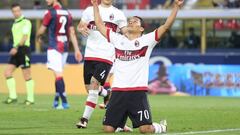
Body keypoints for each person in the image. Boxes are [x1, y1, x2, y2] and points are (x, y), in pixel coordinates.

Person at [91, 0, 184, 133]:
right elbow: (99, 25)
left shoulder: (147, 40)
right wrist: (95, 6)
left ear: (141, 29)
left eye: (135, 21)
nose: (131, 22)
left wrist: (176, 7)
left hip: (137, 92)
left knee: (145, 129)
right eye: (130, 20)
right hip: (118, 91)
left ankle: (161, 127)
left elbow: (166, 26)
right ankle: (121, 124)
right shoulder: (118, 39)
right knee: (108, 129)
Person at [75, 0, 127, 128]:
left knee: (94, 83)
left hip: (107, 55)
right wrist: (81, 29)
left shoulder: (118, 14)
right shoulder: (89, 10)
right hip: (90, 54)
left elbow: (126, 32)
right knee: (89, 89)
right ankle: (106, 93)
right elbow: (80, 26)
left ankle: (84, 119)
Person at [36, 0, 82, 109]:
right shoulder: (68, 13)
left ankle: (65, 102)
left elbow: (42, 30)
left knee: (58, 75)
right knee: (58, 74)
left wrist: (38, 36)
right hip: (65, 48)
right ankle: (56, 100)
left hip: (54, 47)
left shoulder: (49, 13)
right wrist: (76, 50)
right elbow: (72, 33)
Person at [3, 3, 34, 105]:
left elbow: (25, 37)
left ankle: (30, 99)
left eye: (18, 10)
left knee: (26, 75)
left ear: (21, 11)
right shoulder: (15, 23)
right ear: (12, 12)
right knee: (7, 72)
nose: (16, 13)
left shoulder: (26, 22)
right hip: (16, 50)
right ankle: (13, 97)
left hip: (23, 50)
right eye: (14, 11)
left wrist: (16, 47)